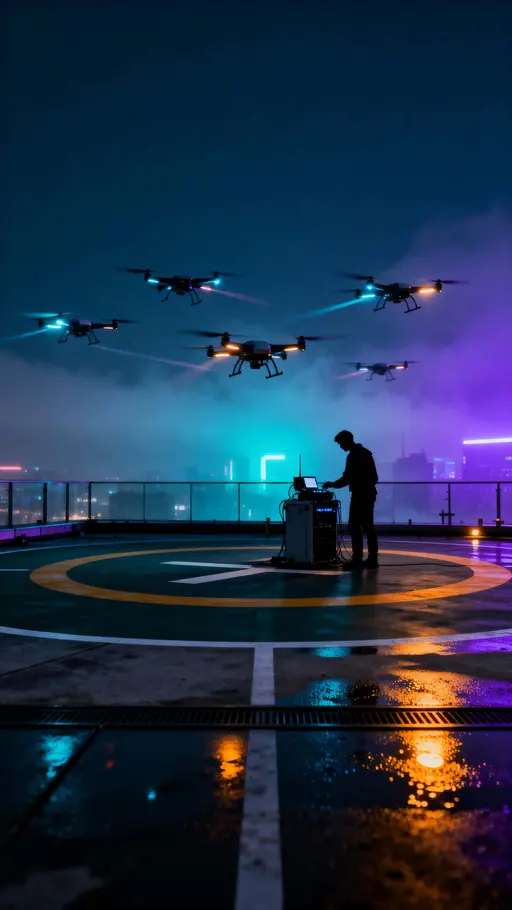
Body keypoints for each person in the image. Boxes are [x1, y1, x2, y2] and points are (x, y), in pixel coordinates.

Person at [322, 430, 379, 571]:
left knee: (354, 526)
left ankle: (357, 559)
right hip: (369, 494)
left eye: (341, 443)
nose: (341, 447)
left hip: (360, 495)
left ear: (346, 441)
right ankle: (372, 558)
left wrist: (332, 484)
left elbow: (347, 477)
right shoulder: (366, 453)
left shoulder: (353, 456)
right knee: (368, 526)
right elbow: (374, 478)